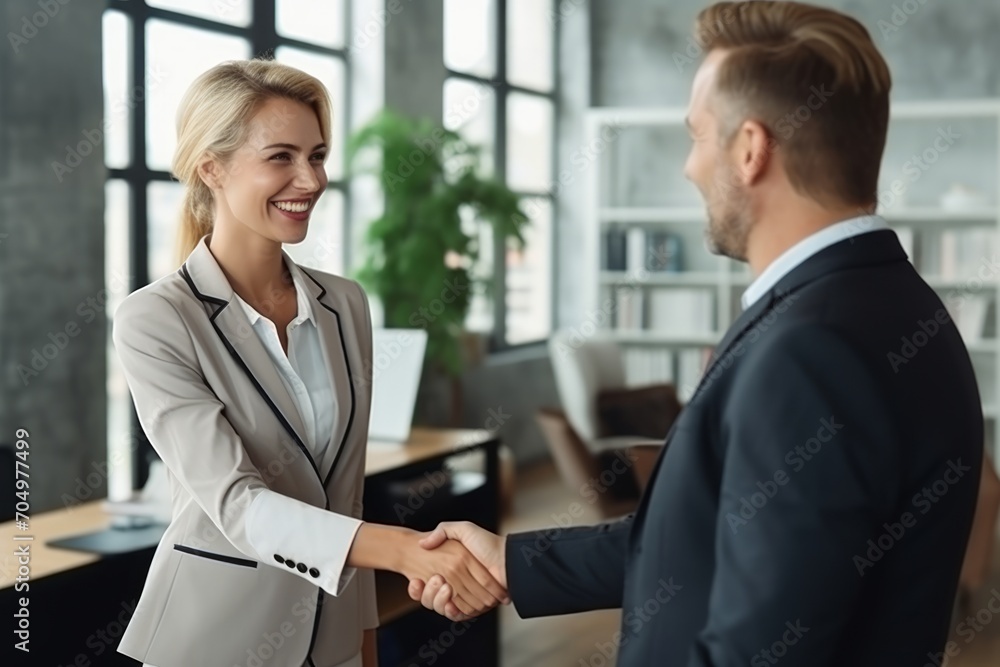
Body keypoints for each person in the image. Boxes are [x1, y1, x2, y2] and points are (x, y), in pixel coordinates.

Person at [409, 2, 984, 665]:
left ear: (748, 149)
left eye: (696, 134)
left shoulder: (810, 352)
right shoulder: (895, 304)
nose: (688, 166)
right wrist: (512, 561)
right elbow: (704, 540)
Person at [112, 58, 507, 667]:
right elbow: (238, 505)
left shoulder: (344, 302)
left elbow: (344, 497)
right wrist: (406, 550)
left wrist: (362, 640)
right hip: (216, 638)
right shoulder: (156, 319)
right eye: (281, 157)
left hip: (333, 640)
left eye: (317, 156)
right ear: (210, 167)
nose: (311, 179)